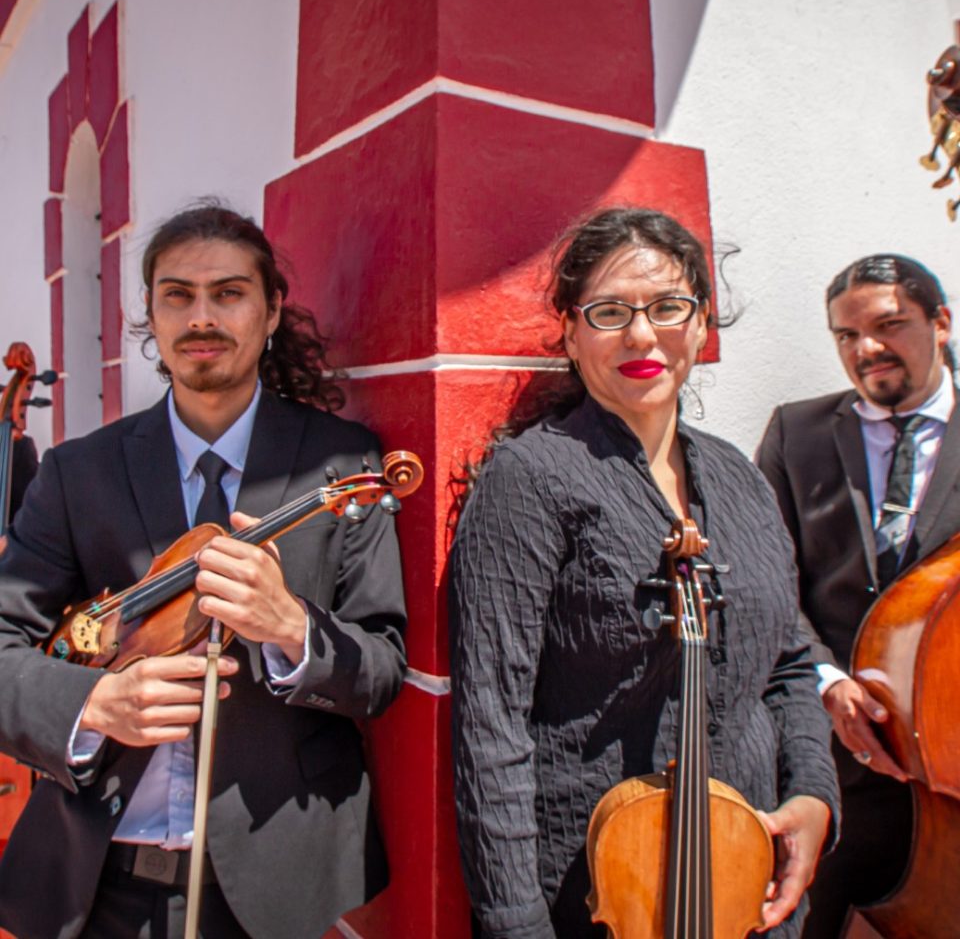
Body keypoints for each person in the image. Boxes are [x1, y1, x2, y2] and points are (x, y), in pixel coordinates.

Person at [0, 204, 408, 939]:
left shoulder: (345, 464)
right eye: (177, 295)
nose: (201, 318)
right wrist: (95, 704)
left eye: (229, 293)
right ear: (150, 316)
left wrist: (291, 627)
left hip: (278, 884)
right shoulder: (75, 473)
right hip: (98, 886)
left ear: (272, 308)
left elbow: (379, 670)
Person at [448, 207, 839, 939]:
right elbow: (490, 728)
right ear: (569, 331)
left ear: (699, 325)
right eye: (608, 312)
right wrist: (516, 926)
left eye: (666, 307)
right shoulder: (529, 479)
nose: (640, 334)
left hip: (747, 887)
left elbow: (788, 665)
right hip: (598, 895)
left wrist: (815, 795)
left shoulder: (741, 479)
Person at [756, 253, 959, 937]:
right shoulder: (796, 432)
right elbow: (769, 580)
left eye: (889, 325)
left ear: (940, 323)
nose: (866, 348)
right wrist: (826, 680)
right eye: (845, 335)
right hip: (836, 758)